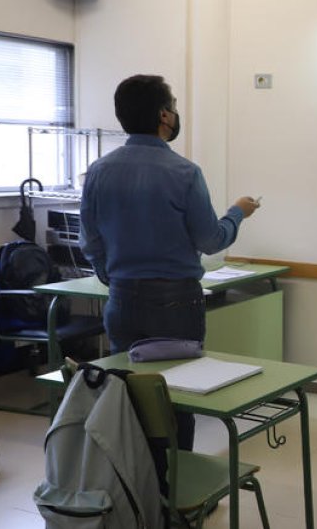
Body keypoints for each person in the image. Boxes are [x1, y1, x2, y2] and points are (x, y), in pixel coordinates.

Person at [80, 74, 259, 450]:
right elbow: (212, 240)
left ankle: (135, 489)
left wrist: (112, 277)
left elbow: (91, 241)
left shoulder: (98, 171)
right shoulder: (184, 172)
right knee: (177, 398)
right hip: (176, 303)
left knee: (126, 395)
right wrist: (237, 213)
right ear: (164, 116)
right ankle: (176, 496)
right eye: (174, 106)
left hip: (122, 300)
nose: (176, 114)